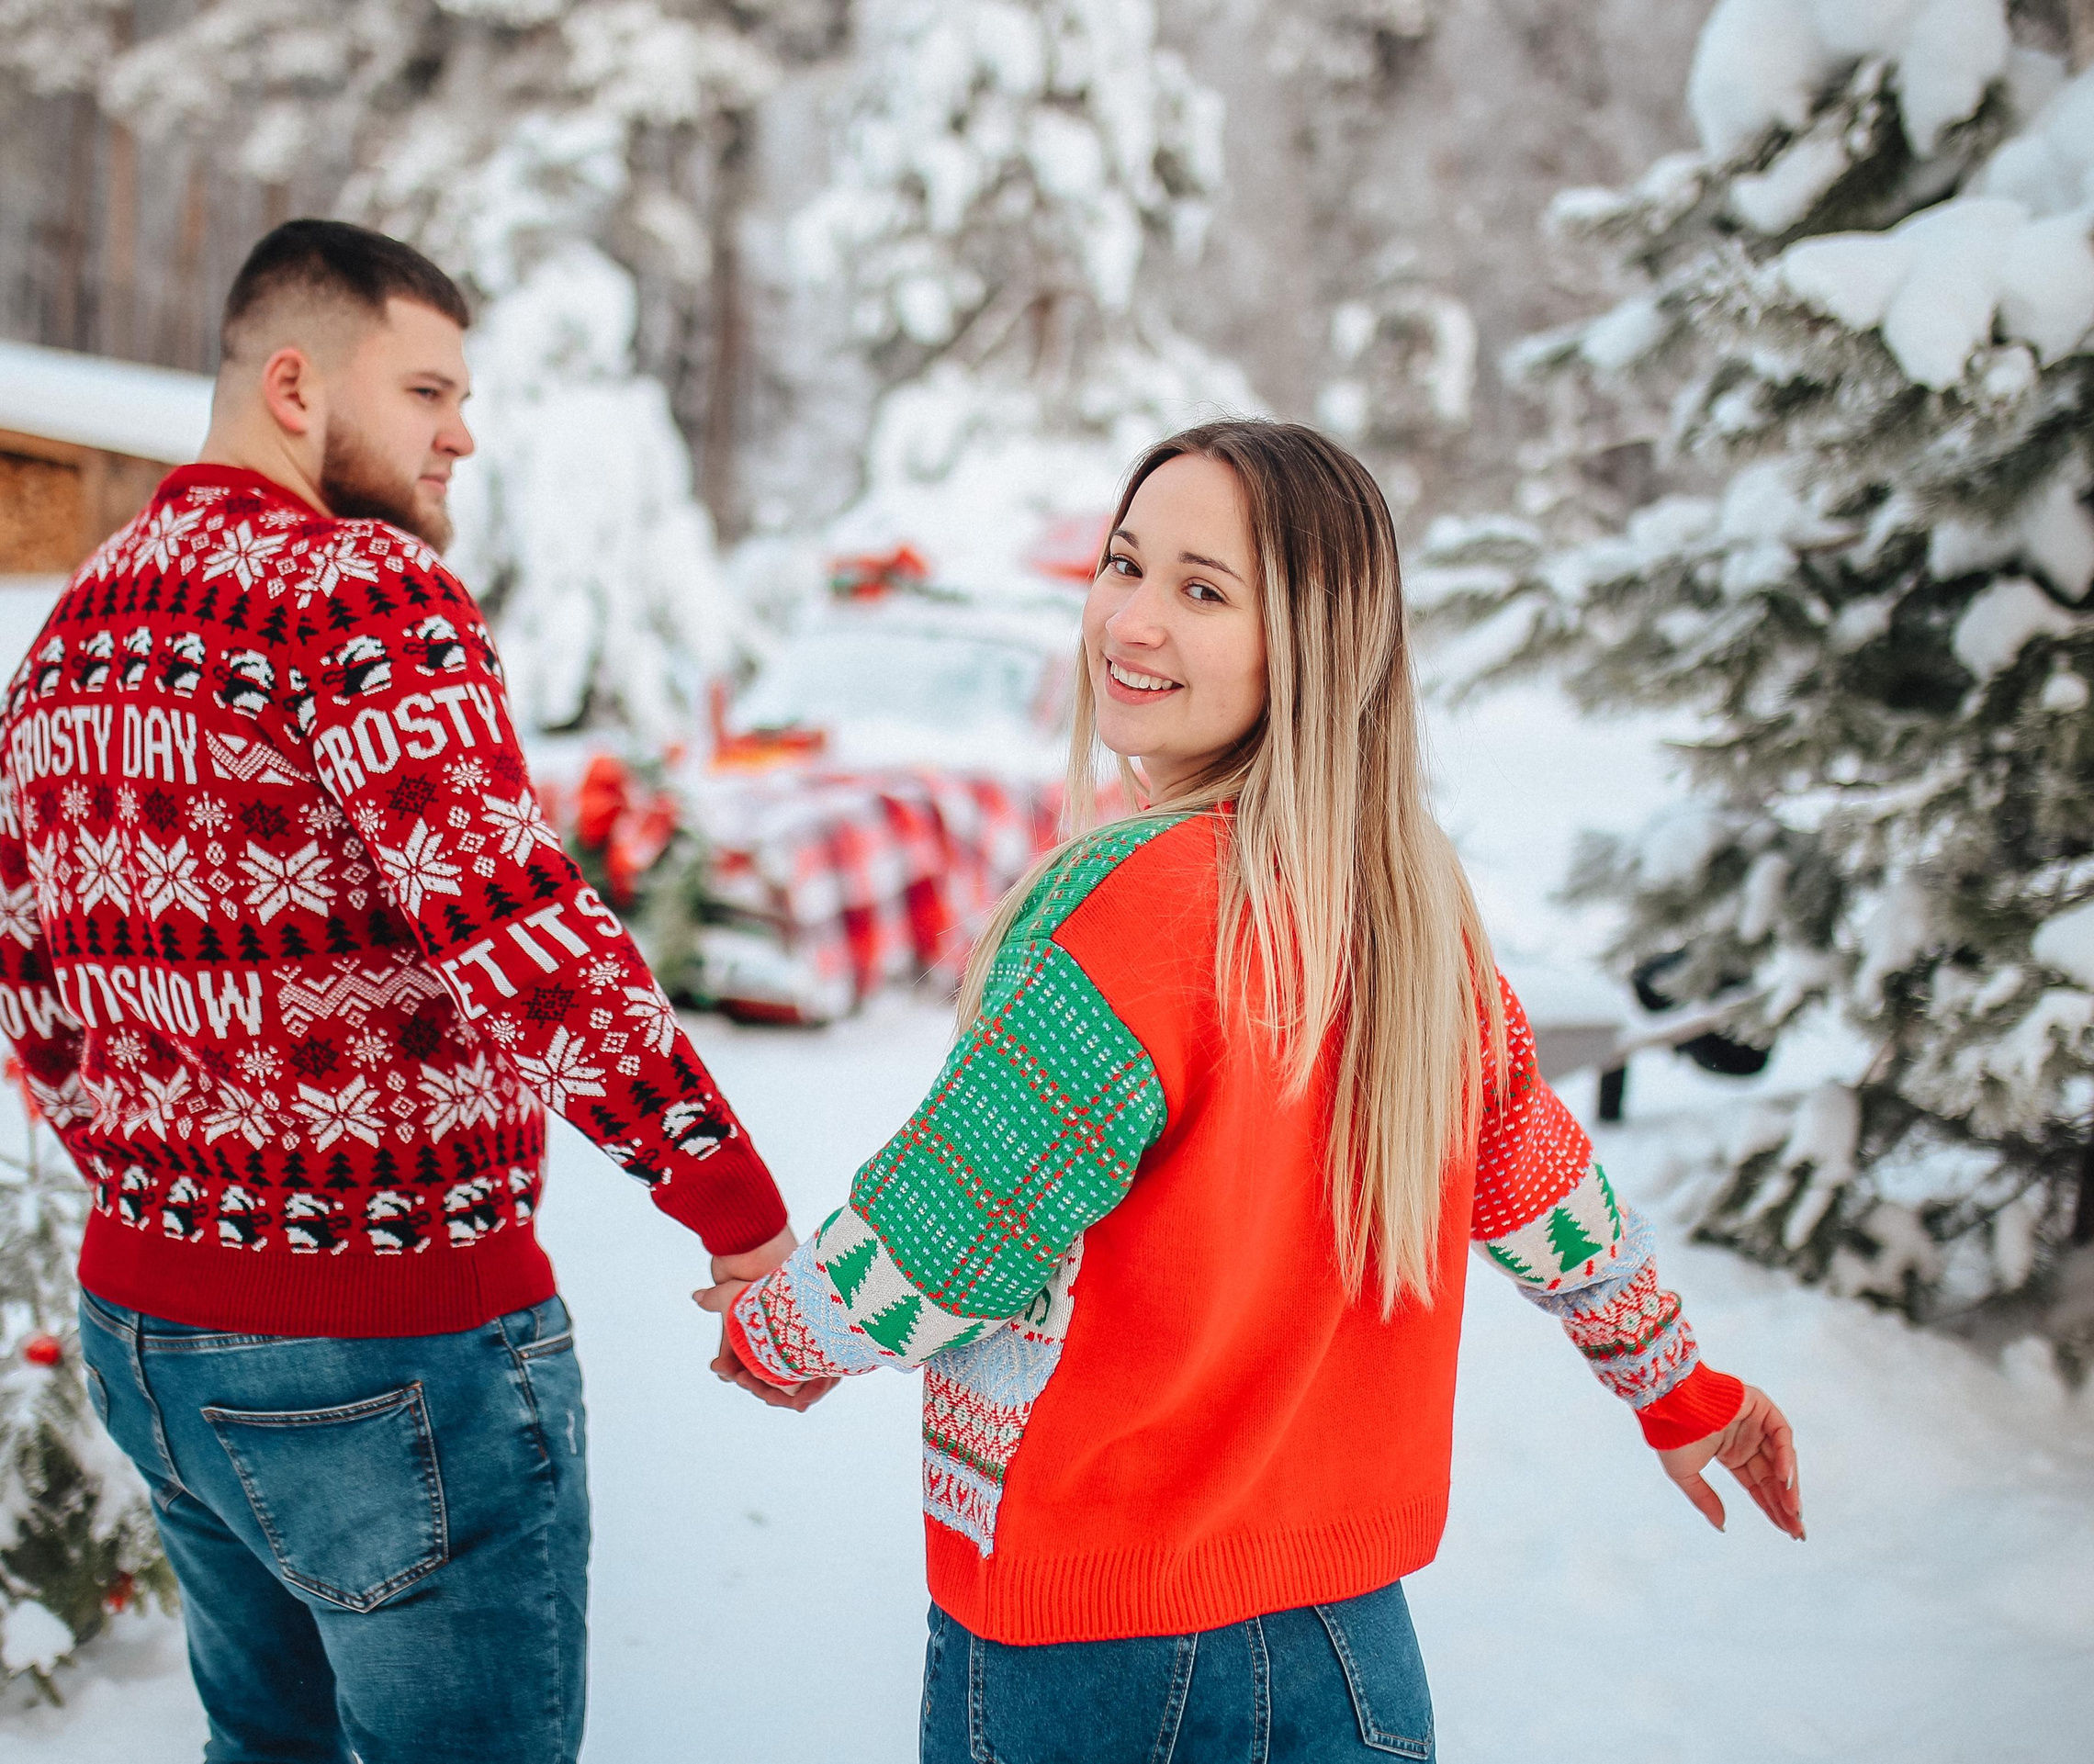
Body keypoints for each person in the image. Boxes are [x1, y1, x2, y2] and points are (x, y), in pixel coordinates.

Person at [702, 419, 1804, 1761]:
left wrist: (781, 1333)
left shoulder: (1141, 917)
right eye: (1124, 563)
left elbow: (949, 1237)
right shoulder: (1406, 912)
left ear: (1312, 646)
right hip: (1353, 1648)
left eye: (1203, 588)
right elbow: (1546, 1190)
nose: (1132, 618)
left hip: (1094, 1649)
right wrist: (1681, 1391)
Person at [0, 219, 806, 1764]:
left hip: (150, 1324)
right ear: (294, 384)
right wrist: (735, 1206)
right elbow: (517, 926)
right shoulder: (360, 591)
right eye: (428, 388)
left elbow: (33, 993)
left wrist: (189, 1205)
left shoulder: (76, 626)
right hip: (389, 1345)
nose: (463, 432)